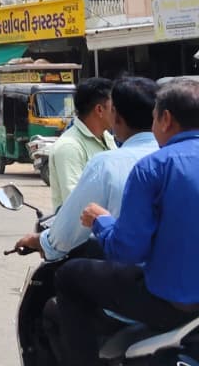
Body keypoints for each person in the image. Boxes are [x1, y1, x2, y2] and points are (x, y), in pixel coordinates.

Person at [54, 79, 199, 365]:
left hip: (172, 303)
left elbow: (127, 250)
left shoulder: (153, 167)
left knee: (68, 276)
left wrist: (101, 221)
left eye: (155, 116)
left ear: (166, 119)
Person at [14, 76, 158, 260]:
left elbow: (79, 214)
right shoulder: (71, 146)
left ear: (117, 116)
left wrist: (44, 243)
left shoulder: (106, 160)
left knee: (66, 276)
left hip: (115, 256)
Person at [49, 76, 115, 210]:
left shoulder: (107, 137)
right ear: (99, 110)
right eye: (113, 108)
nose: (117, 113)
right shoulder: (69, 147)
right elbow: (76, 203)